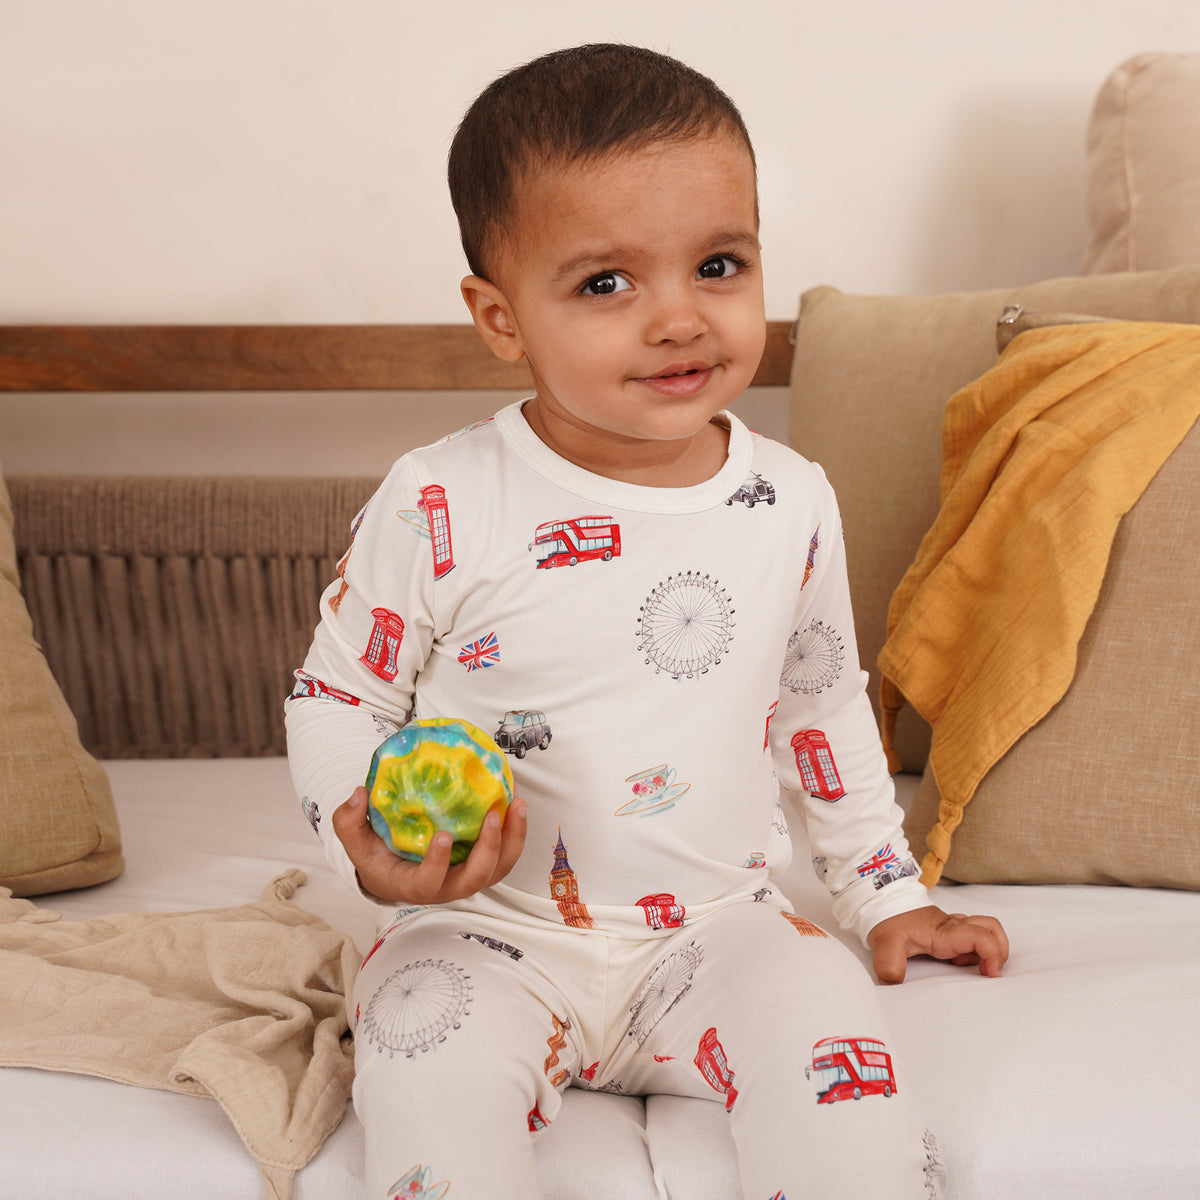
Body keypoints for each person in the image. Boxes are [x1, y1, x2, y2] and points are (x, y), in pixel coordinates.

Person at [285, 42, 1008, 1200]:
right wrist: (362, 841)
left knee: (850, 1094)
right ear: (500, 317)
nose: (680, 319)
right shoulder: (439, 497)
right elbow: (340, 696)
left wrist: (886, 891)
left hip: (719, 930)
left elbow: (820, 706)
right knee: (427, 1081)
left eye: (718, 264)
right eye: (607, 284)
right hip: (487, 927)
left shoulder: (791, 500)